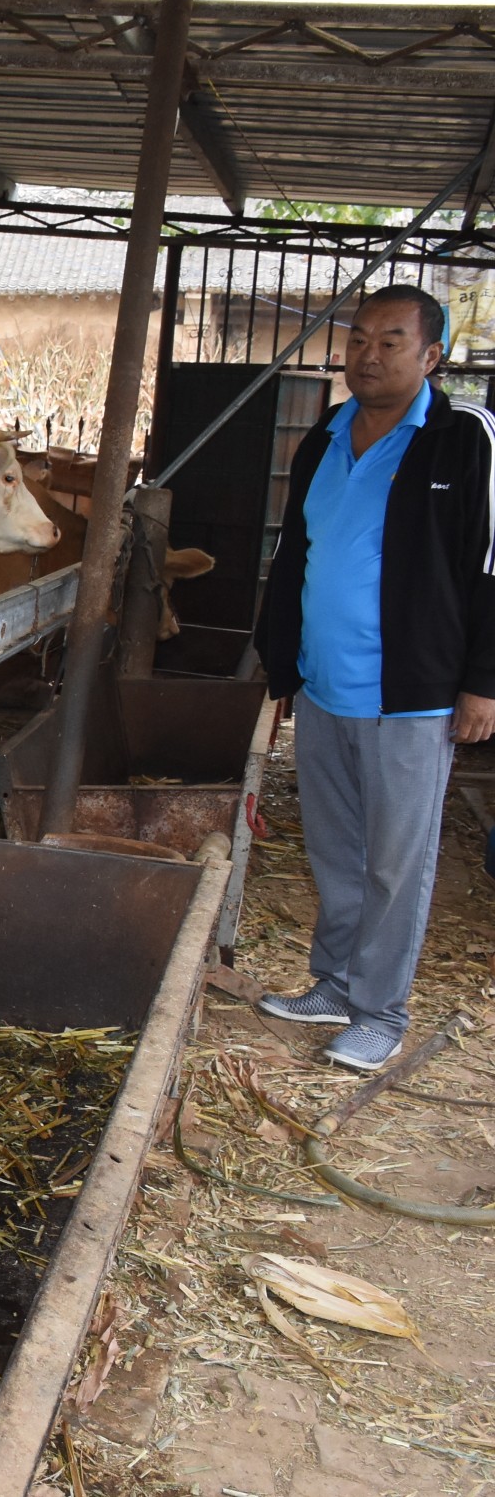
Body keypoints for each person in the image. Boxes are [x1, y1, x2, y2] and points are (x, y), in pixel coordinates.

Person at [251, 283, 495, 1071]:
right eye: (359, 338)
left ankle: (381, 1011)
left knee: (397, 858)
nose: (370, 354)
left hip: (413, 696)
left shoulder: (467, 441)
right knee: (336, 847)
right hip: (326, 685)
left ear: (432, 356)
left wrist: (483, 682)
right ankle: (335, 983)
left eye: (392, 340)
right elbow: (294, 558)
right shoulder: (323, 438)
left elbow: (491, 568)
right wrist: (281, 662)